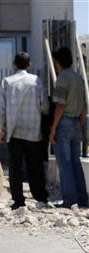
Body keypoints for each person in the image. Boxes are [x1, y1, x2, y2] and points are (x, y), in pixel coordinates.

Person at [0, 52, 50, 210]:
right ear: (29, 65)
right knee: (35, 166)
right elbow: (45, 106)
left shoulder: (7, 82)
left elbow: (1, 109)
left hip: (14, 132)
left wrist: (2, 130)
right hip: (34, 131)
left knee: (15, 168)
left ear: (14, 64)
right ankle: (40, 197)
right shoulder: (36, 81)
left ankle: (18, 200)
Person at [50, 47, 88, 208]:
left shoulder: (62, 78)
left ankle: (69, 200)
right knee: (75, 161)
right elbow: (85, 106)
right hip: (76, 123)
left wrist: (53, 129)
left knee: (64, 163)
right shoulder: (79, 78)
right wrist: (79, 123)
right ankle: (82, 198)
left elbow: (60, 105)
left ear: (57, 62)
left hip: (64, 122)